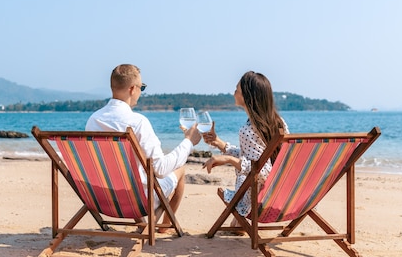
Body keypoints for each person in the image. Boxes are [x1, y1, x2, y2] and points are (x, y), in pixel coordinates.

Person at [86, 64, 202, 230]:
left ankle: (143, 224)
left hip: (102, 198)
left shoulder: (93, 120)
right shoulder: (137, 122)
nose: (141, 92)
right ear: (132, 89)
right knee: (180, 168)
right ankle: (162, 227)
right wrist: (188, 142)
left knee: (130, 177)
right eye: (142, 87)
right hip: (137, 201)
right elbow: (160, 169)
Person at [201, 71, 289, 219]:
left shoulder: (248, 130)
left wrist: (229, 160)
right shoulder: (278, 122)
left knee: (242, 185)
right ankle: (237, 223)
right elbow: (254, 156)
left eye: (237, 89)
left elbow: (263, 172)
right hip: (282, 195)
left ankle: (238, 221)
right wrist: (219, 143)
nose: (234, 93)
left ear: (247, 97)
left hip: (257, 201)